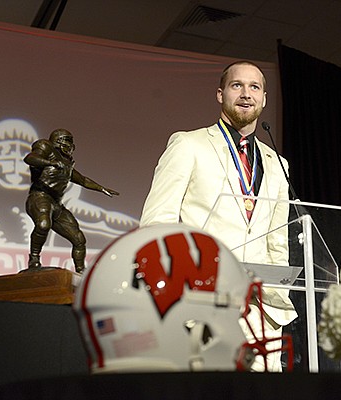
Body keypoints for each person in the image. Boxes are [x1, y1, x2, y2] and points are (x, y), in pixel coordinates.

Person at [139, 60, 297, 371]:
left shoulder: (278, 163)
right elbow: (157, 226)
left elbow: (278, 242)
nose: (246, 94)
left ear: (264, 99)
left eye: (255, 87)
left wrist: (274, 299)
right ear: (220, 93)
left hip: (261, 313)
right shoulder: (188, 144)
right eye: (237, 85)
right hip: (201, 304)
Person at [24, 128, 119, 273]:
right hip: (40, 196)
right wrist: (49, 163)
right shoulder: (45, 147)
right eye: (68, 140)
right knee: (43, 224)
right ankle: (34, 258)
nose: (70, 145)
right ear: (58, 140)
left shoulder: (66, 163)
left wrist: (101, 188)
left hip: (57, 203)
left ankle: (81, 271)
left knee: (79, 239)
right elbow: (30, 158)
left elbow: (82, 180)